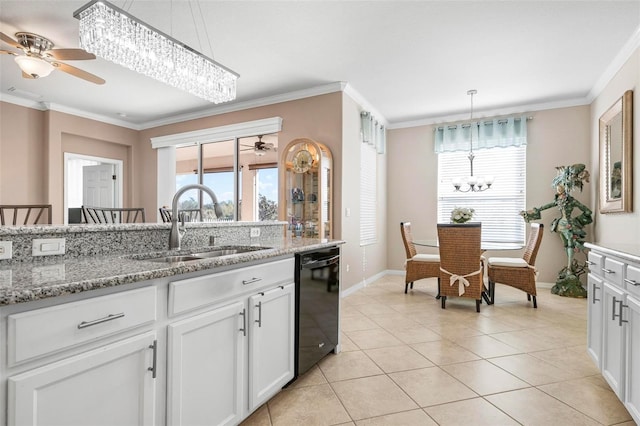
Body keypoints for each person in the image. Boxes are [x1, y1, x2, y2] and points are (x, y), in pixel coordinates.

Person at [520, 164, 592, 295]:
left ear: (565, 187)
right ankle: (569, 270)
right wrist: (531, 212)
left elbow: (587, 211)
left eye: (560, 186)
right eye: (558, 187)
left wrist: (579, 221)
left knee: (570, 246)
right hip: (561, 226)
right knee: (567, 246)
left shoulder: (571, 200)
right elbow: (546, 206)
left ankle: (570, 270)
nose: (558, 189)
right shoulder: (559, 200)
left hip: (567, 225)